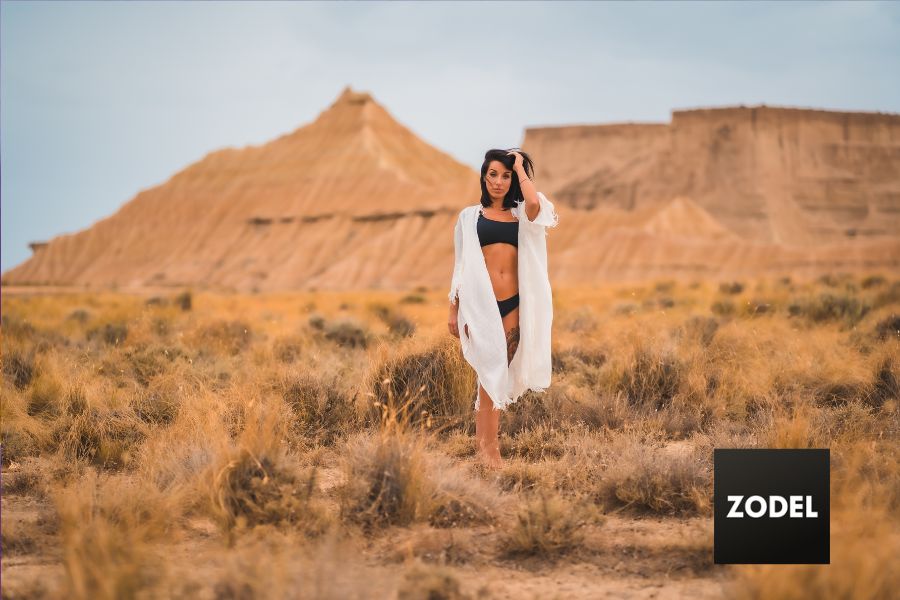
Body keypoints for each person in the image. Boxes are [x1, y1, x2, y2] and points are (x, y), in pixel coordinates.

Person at [447, 148, 559, 469]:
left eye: (506, 175)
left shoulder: (521, 215)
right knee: (489, 375)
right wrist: (453, 311)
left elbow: (535, 204)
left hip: (513, 305)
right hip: (481, 306)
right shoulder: (470, 218)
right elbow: (460, 267)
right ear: (484, 177)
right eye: (493, 174)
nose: (499, 181)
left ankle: (486, 446)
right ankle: (488, 450)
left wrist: (521, 166)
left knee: (495, 375)